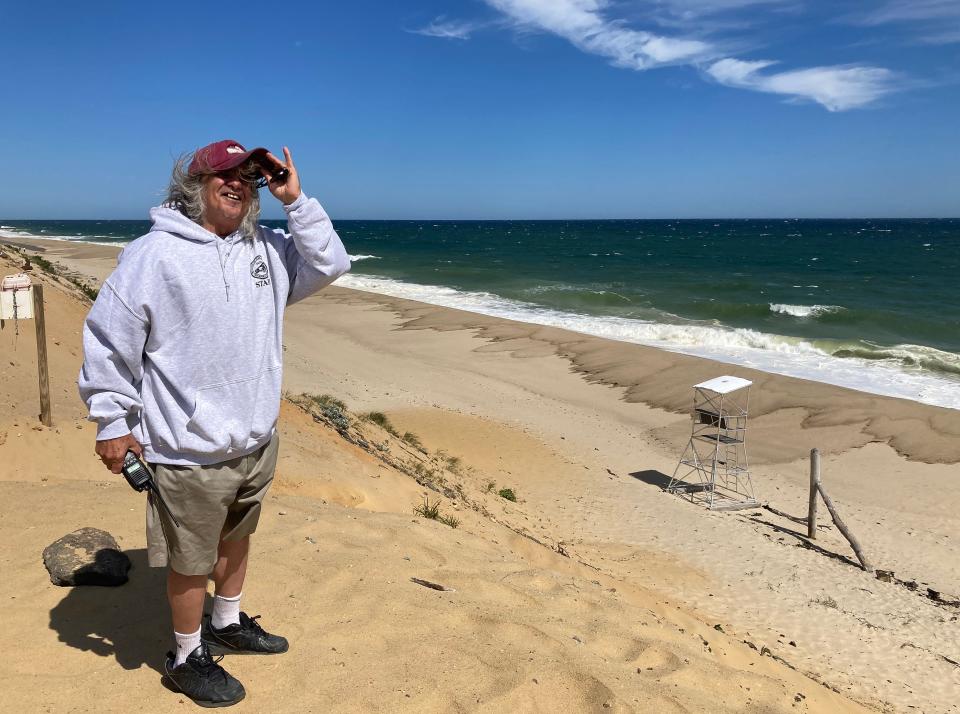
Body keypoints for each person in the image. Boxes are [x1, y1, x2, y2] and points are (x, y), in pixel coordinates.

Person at [78, 139, 350, 707]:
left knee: (237, 535)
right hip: (186, 446)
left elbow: (329, 262)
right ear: (194, 183)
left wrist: (295, 202)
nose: (238, 186)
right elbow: (110, 341)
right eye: (224, 176)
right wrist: (111, 421)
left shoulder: (268, 250)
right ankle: (184, 655)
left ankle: (226, 621)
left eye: (249, 179)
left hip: (254, 436)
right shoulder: (153, 256)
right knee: (189, 559)